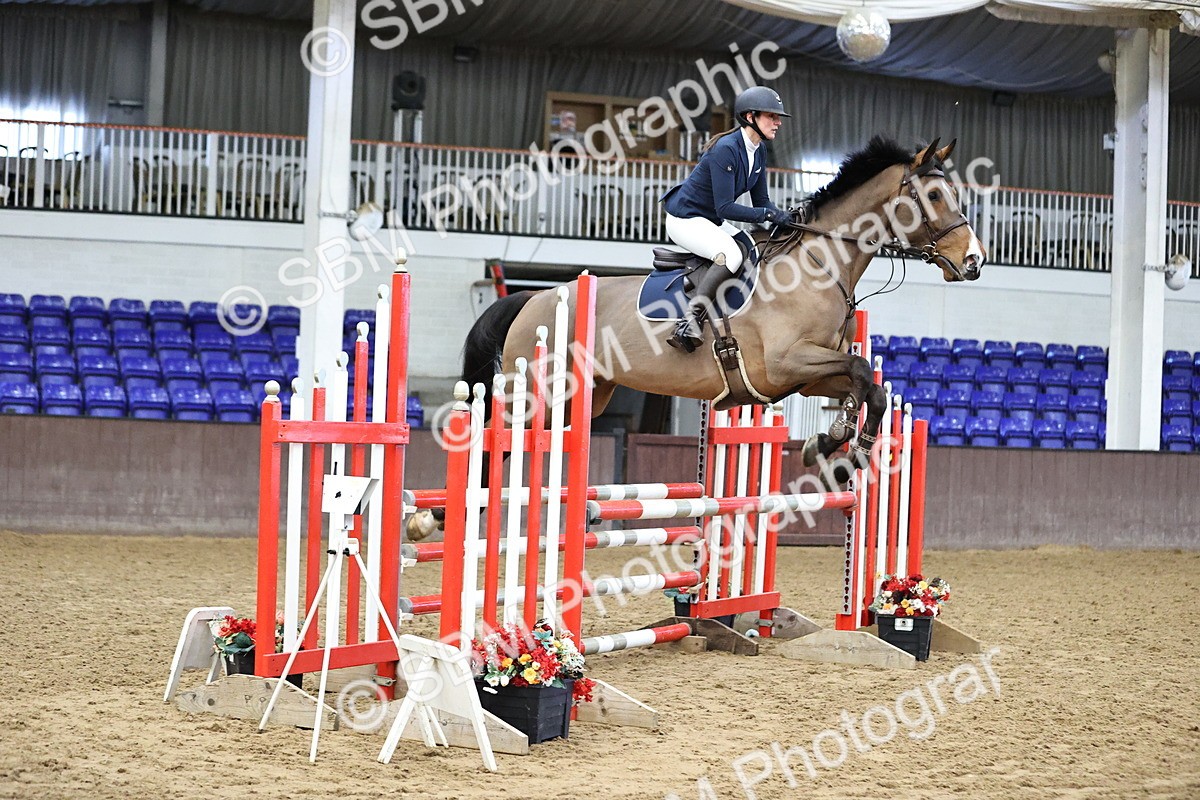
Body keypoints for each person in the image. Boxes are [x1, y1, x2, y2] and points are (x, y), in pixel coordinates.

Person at [660, 86, 795, 352]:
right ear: (750, 116)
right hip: (685, 218)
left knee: (750, 246)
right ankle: (689, 321)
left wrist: (783, 215)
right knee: (731, 255)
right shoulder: (726, 149)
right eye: (772, 116)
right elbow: (725, 208)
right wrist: (768, 215)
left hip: (709, 219)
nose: (778, 122)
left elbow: (761, 202)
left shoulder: (759, 150)